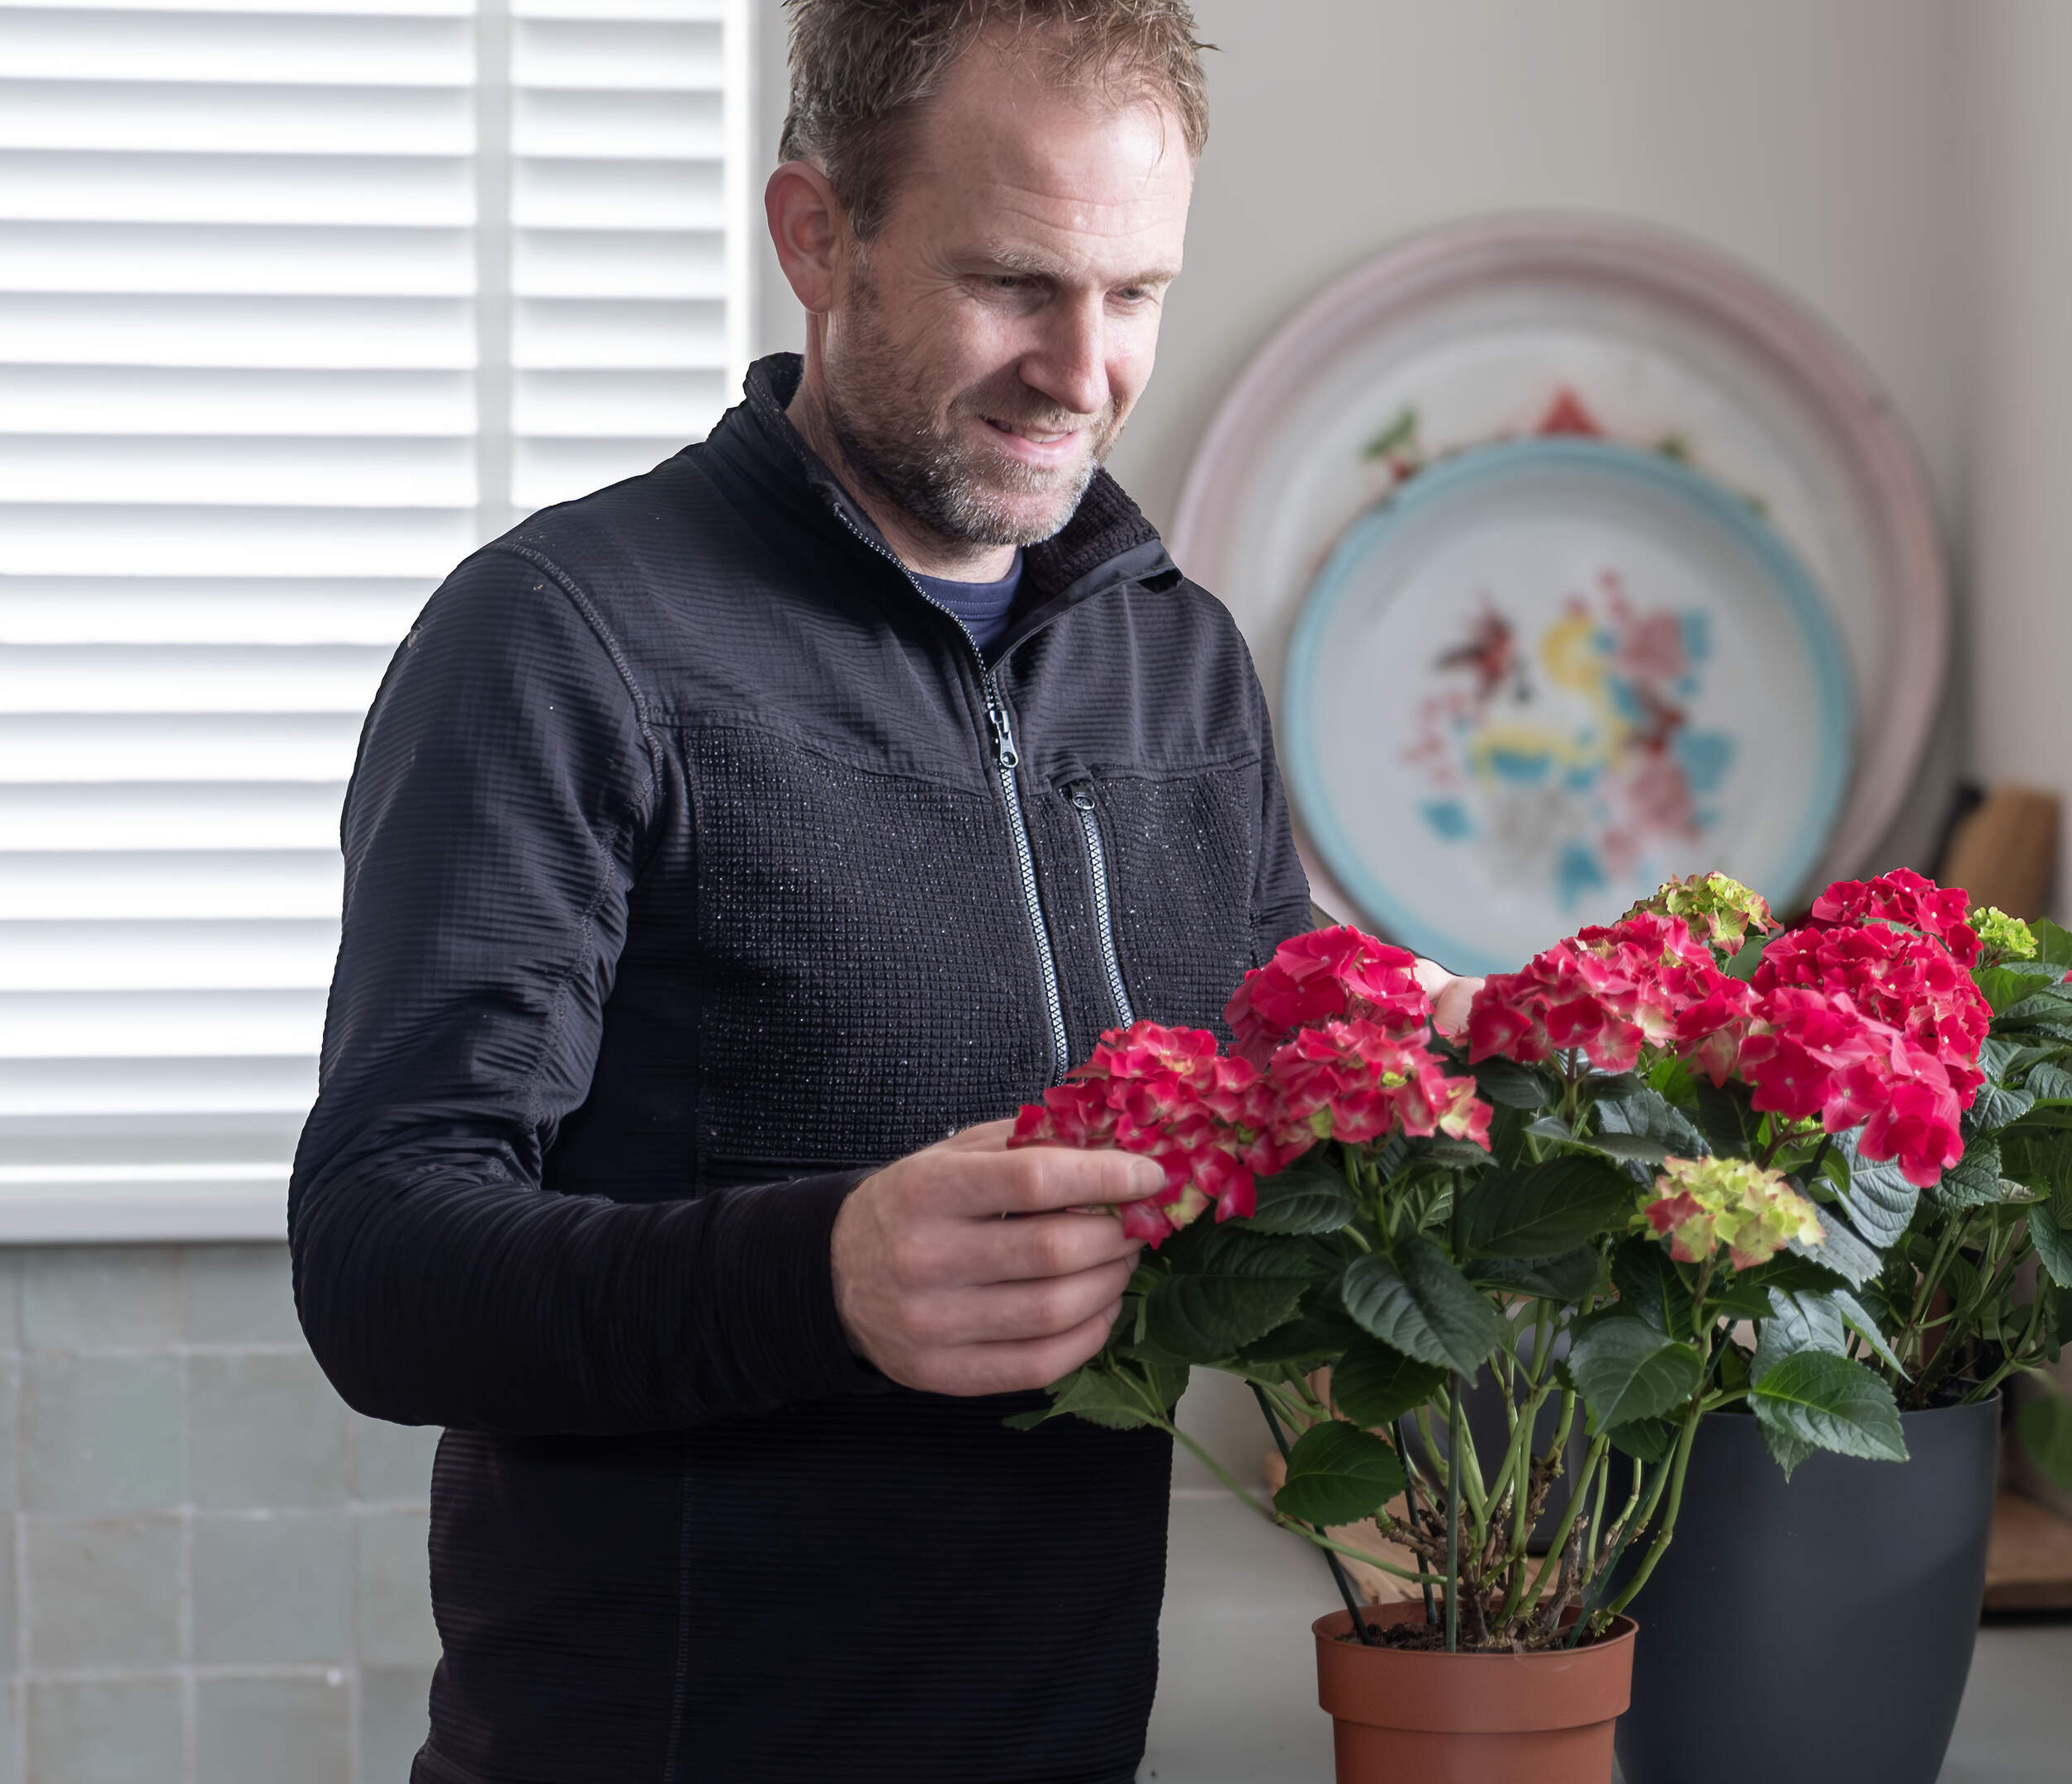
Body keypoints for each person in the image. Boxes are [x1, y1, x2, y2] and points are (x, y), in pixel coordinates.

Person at [291, 4, 1458, 1777]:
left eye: (1134, 294)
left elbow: (1256, 1060)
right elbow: (381, 1260)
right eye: (1015, 283)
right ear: (817, 236)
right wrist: (819, 1280)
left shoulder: (1178, 664)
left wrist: (1413, 1050)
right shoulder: (561, 642)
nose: (1084, 372)